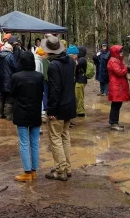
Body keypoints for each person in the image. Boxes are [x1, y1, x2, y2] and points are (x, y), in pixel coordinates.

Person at [42, 36, 76, 181]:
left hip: (59, 107)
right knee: (65, 136)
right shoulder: (70, 61)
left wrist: (51, 110)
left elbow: (54, 90)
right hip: (70, 104)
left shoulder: (53, 66)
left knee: (55, 138)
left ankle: (60, 170)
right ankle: (66, 167)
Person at [11, 52, 44, 182]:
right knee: (35, 143)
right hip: (35, 112)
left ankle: (27, 172)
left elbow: (12, 93)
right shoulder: (39, 76)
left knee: (24, 143)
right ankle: (34, 171)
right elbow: (41, 92)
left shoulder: (16, 77)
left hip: (21, 113)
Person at [107, 45, 130, 131]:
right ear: (115, 52)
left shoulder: (117, 60)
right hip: (116, 86)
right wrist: (126, 68)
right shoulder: (113, 61)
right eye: (120, 51)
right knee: (116, 105)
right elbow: (119, 72)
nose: (122, 53)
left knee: (117, 105)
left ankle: (115, 121)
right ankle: (113, 123)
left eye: (122, 51)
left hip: (118, 86)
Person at [0, 43, 19, 120]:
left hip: (1, 79)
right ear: (10, 49)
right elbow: (16, 67)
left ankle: (1, 114)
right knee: (10, 98)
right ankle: (9, 116)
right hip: (9, 79)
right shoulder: (10, 56)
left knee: (2, 97)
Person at [70, 45, 88, 117]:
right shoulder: (81, 59)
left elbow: (76, 65)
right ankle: (79, 110)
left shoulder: (82, 60)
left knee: (79, 96)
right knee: (78, 95)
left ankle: (80, 111)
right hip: (80, 80)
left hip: (80, 81)